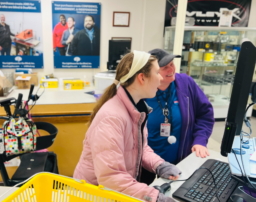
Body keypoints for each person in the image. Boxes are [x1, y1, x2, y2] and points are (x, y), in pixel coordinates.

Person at [74, 50, 181, 202]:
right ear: (142, 78)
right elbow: (111, 177)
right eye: (157, 72)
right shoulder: (112, 117)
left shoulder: (135, 108)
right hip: (93, 196)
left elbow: (139, 147)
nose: (160, 78)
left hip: (113, 193)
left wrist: (159, 165)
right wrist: (155, 197)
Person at [143, 48, 214, 184]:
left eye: (172, 64)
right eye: (165, 67)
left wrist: (200, 140)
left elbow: (205, 114)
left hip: (181, 163)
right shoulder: (142, 92)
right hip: (147, 166)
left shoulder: (185, 83)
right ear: (152, 72)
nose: (171, 69)